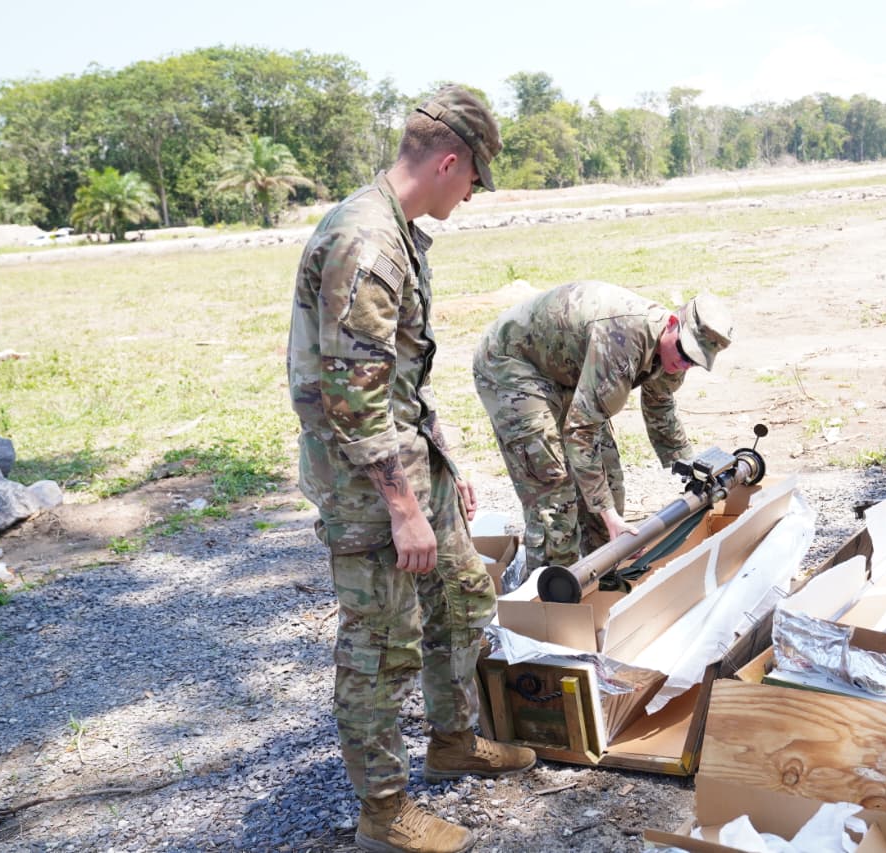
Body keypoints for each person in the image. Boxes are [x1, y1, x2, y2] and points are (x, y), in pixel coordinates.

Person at [287, 85, 535, 853]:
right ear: (450, 162)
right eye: (472, 181)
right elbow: (350, 390)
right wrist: (402, 504)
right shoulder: (368, 241)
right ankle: (385, 811)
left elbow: (396, 375)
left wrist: (440, 454)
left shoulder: (397, 230)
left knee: (462, 592)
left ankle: (453, 739)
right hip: (365, 478)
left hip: (403, 454)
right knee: (381, 640)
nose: (470, 196)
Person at [472, 280, 734, 572]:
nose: (684, 364)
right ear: (672, 323)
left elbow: (660, 406)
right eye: (685, 354)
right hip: (513, 362)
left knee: (609, 480)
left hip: (565, 366)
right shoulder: (622, 338)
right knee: (553, 488)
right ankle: (551, 594)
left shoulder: (673, 351)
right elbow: (580, 432)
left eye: (695, 362)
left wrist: (690, 470)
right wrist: (609, 516)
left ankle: (601, 572)